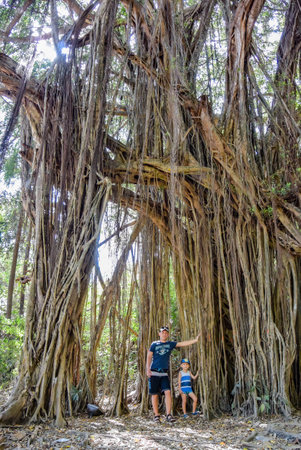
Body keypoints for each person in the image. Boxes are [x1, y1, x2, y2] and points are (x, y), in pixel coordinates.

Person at [146, 326, 200, 423]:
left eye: (166, 332)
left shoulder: (170, 344)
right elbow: (149, 356)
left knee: (168, 392)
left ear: (168, 334)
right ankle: (156, 415)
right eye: (163, 332)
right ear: (159, 334)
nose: (164, 334)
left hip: (164, 374)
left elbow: (182, 344)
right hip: (153, 372)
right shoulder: (154, 344)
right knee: (154, 395)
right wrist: (147, 369)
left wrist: (195, 340)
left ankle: (168, 415)